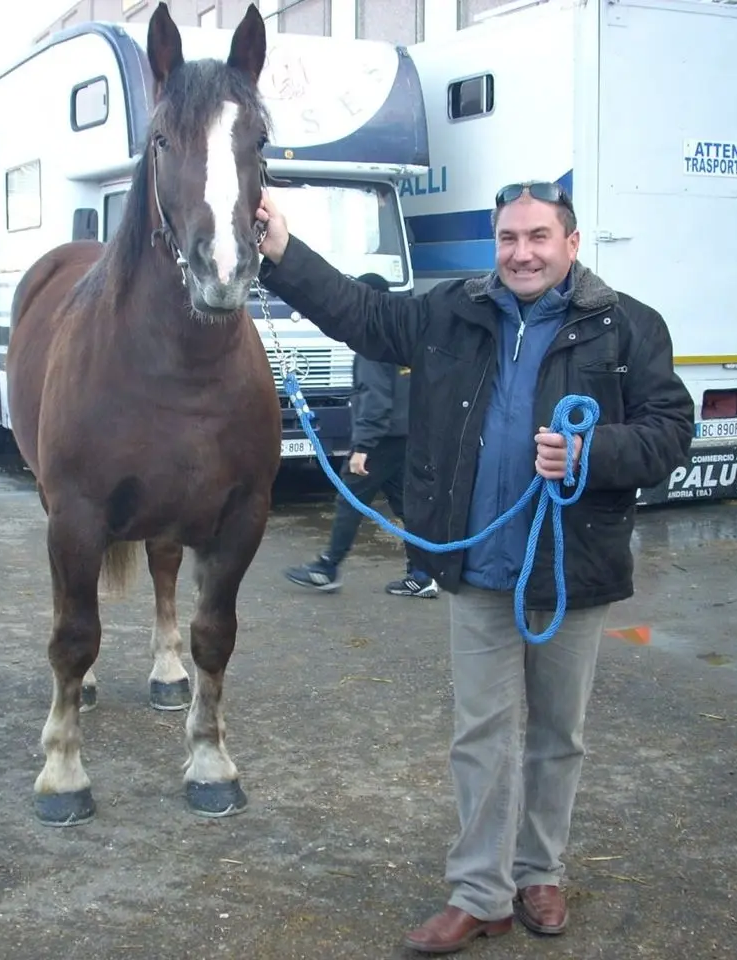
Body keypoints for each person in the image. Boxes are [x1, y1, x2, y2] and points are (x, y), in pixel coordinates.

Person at [255, 180, 694, 954]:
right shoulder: (450, 311)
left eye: (538, 237)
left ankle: (539, 873)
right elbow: (363, 315)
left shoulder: (624, 327)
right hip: (477, 564)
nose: (521, 253)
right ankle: (481, 892)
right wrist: (283, 252)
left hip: (569, 567)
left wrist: (593, 453)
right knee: (481, 734)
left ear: (571, 243)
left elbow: (670, 433)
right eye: (507, 239)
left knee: (558, 732)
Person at [283, 272, 439, 599]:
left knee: (349, 499)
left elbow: (376, 397)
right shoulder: (404, 332)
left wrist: (363, 446)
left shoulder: (374, 338)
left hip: (380, 438)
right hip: (406, 433)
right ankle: (423, 573)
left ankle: (327, 567)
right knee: (406, 505)